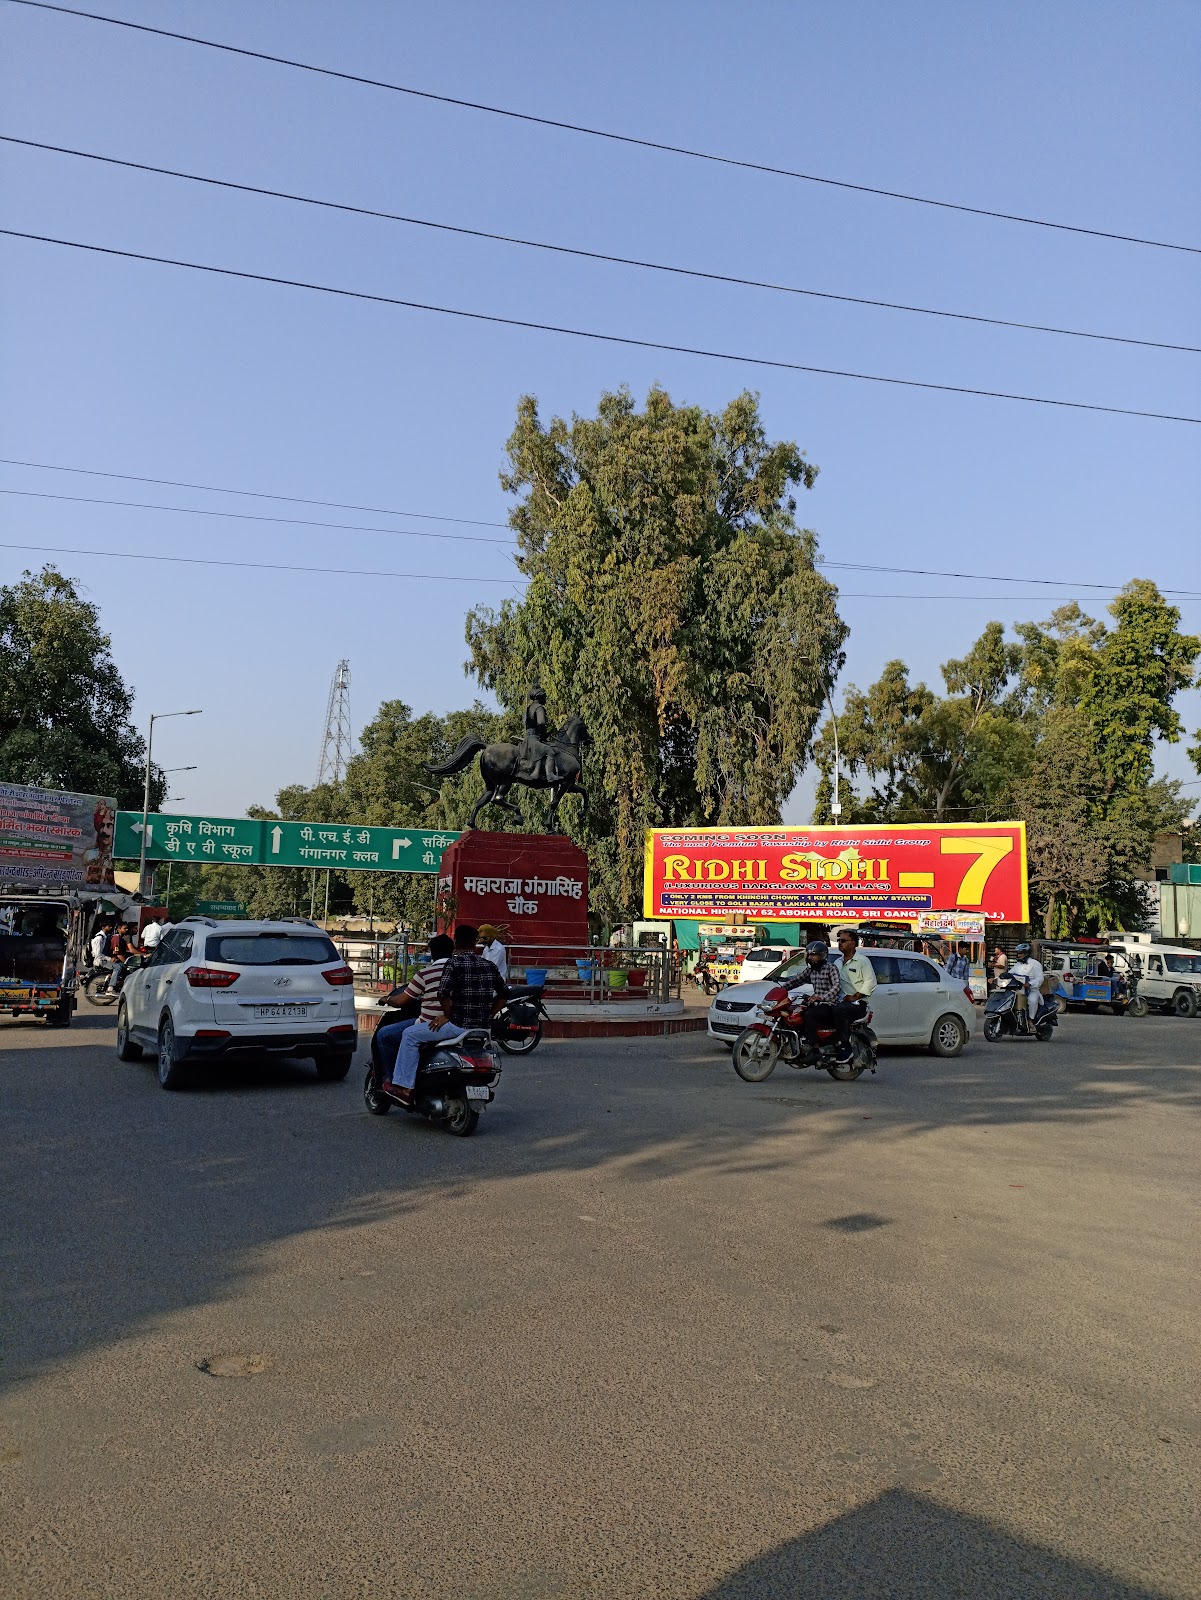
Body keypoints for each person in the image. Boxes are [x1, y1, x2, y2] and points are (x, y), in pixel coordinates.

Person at [391, 924, 506, 1103]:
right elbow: (504, 995)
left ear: (456, 943)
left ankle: (405, 1087)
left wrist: (447, 1016)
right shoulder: (489, 965)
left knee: (409, 1035)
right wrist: (489, 1014)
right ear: (474, 944)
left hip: (457, 1026)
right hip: (483, 1028)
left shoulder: (453, 964)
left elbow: (442, 993)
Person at [378, 934, 454, 1087]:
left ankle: (396, 1082)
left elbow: (401, 1001)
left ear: (432, 953)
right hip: (458, 1024)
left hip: (430, 1025)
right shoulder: (464, 972)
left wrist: (387, 999)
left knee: (384, 1035)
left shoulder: (425, 974)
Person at [787, 939, 848, 1059]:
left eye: (814, 955)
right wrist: (781, 989)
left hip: (829, 1004)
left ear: (822, 956)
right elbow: (797, 980)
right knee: (795, 1013)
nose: (810, 957)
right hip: (815, 1003)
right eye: (809, 955)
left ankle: (815, 1048)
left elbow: (836, 986)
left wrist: (821, 997)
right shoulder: (811, 970)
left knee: (810, 1014)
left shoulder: (831, 968)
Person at [834, 928, 877, 1057]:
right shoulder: (837, 962)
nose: (840, 943)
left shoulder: (862, 961)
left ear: (853, 943)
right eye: (838, 940)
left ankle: (845, 1046)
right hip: (839, 1001)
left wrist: (855, 997)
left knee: (839, 1010)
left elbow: (870, 982)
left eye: (843, 940)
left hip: (858, 1004)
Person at [1009, 942, 1046, 1025]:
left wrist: (1030, 984)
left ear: (1026, 953)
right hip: (1018, 990)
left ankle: (1030, 1020)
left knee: (1032, 1001)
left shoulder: (1035, 964)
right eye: (1018, 953)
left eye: (1021, 953)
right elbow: (1010, 974)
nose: (1018, 955)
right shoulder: (1018, 964)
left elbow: (1040, 978)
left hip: (1032, 990)